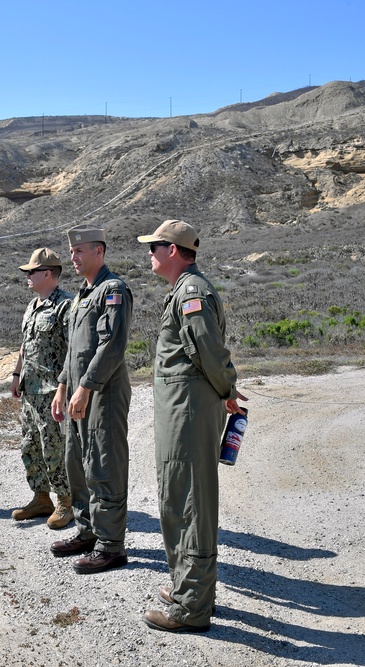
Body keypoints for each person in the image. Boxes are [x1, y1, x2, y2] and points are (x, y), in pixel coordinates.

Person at [136, 220, 245, 633]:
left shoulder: (192, 292)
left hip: (189, 410)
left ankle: (191, 607)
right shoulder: (183, 290)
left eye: (156, 246)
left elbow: (209, 351)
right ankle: (190, 590)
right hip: (181, 408)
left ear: (175, 250)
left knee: (189, 503)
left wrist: (228, 388)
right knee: (177, 498)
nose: (150, 253)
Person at [50, 225, 132, 574]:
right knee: (76, 462)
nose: (73, 256)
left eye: (80, 250)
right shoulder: (82, 296)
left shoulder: (112, 290)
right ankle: (87, 532)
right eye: (71, 251)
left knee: (104, 465)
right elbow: (75, 351)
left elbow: (111, 345)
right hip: (79, 391)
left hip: (104, 392)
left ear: (99, 251)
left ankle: (111, 545)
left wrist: (85, 387)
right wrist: (63, 387)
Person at [9, 248, 74, 529]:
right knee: (30, 446)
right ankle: (41, 497)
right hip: (31, 391)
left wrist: (63, 389)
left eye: (31, 272)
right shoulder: (34, 305)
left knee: (54, 448)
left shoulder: (65, 306)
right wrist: (16, 373)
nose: (27, 276)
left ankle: (65, 501)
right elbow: (27, 343)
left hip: (52, 393)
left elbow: (74, 352)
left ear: (47, 273)